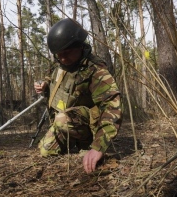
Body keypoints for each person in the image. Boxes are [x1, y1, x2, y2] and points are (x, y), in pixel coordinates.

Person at [34, 18, 122, 174]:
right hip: (67, 122)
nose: (62, 59)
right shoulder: (62, 63)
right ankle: (73, 141)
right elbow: (54, 75)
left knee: (61, 119)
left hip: (87, 126)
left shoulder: (95, 70)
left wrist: (98, 147)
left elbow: (112, 106)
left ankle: (87, 145)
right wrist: (45, 83)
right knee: (45, 151)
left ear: (80, 46)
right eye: (58, 55)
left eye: (66, 53)